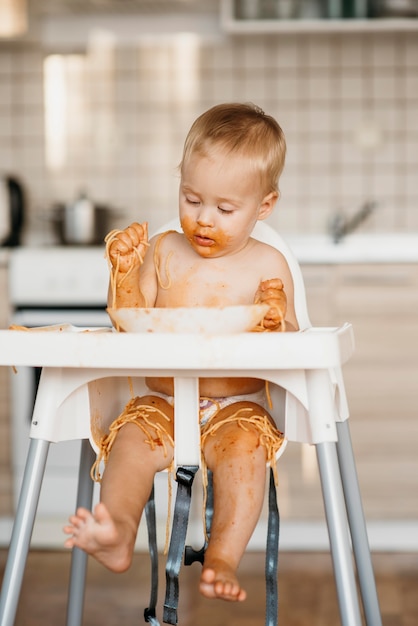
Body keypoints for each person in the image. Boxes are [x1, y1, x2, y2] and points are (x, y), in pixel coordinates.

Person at [64, 102, 299, 603]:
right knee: (127, 443)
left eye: (224, 209)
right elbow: (128, 319)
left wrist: (276, 320)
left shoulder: (268, 264)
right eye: (191, 199)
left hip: (237, 410)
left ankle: (223, 557)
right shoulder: (165, 251)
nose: (203, 219)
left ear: (264, 206)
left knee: (247, 459)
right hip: (163, 404)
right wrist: (125, 272)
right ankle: (118, 532)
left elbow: (292, 344)